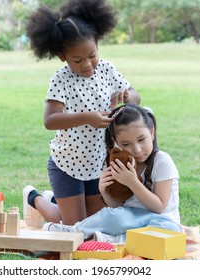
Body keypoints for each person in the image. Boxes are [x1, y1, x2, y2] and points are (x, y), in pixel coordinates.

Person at [23, 0, 141, 228]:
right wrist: (88, 117)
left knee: (93, 223)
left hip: (98, 163)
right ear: (61, 56)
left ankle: (56, 200)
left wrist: (126, 97)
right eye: (77, 60)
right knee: (76, 226)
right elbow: (49, 120)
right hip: (67, 164)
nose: (87, 64)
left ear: (97, 44)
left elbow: (136, 95)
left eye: (92, 55)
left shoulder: (106, 69)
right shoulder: (61, 79)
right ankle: (35, 198)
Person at [42, 103, 183, 243]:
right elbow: (117, 206)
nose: (137, 149)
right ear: (116, 143)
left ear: (151, 133)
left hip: (160, 221)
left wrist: (132, 183)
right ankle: (75, 231)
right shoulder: (120, 162)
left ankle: (113, 239)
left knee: (168, 231)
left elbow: (159, 207)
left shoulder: (162, 162)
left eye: (141, 139)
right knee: (113, 216)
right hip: (129, 219)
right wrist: (104, 192)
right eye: (126, 144)